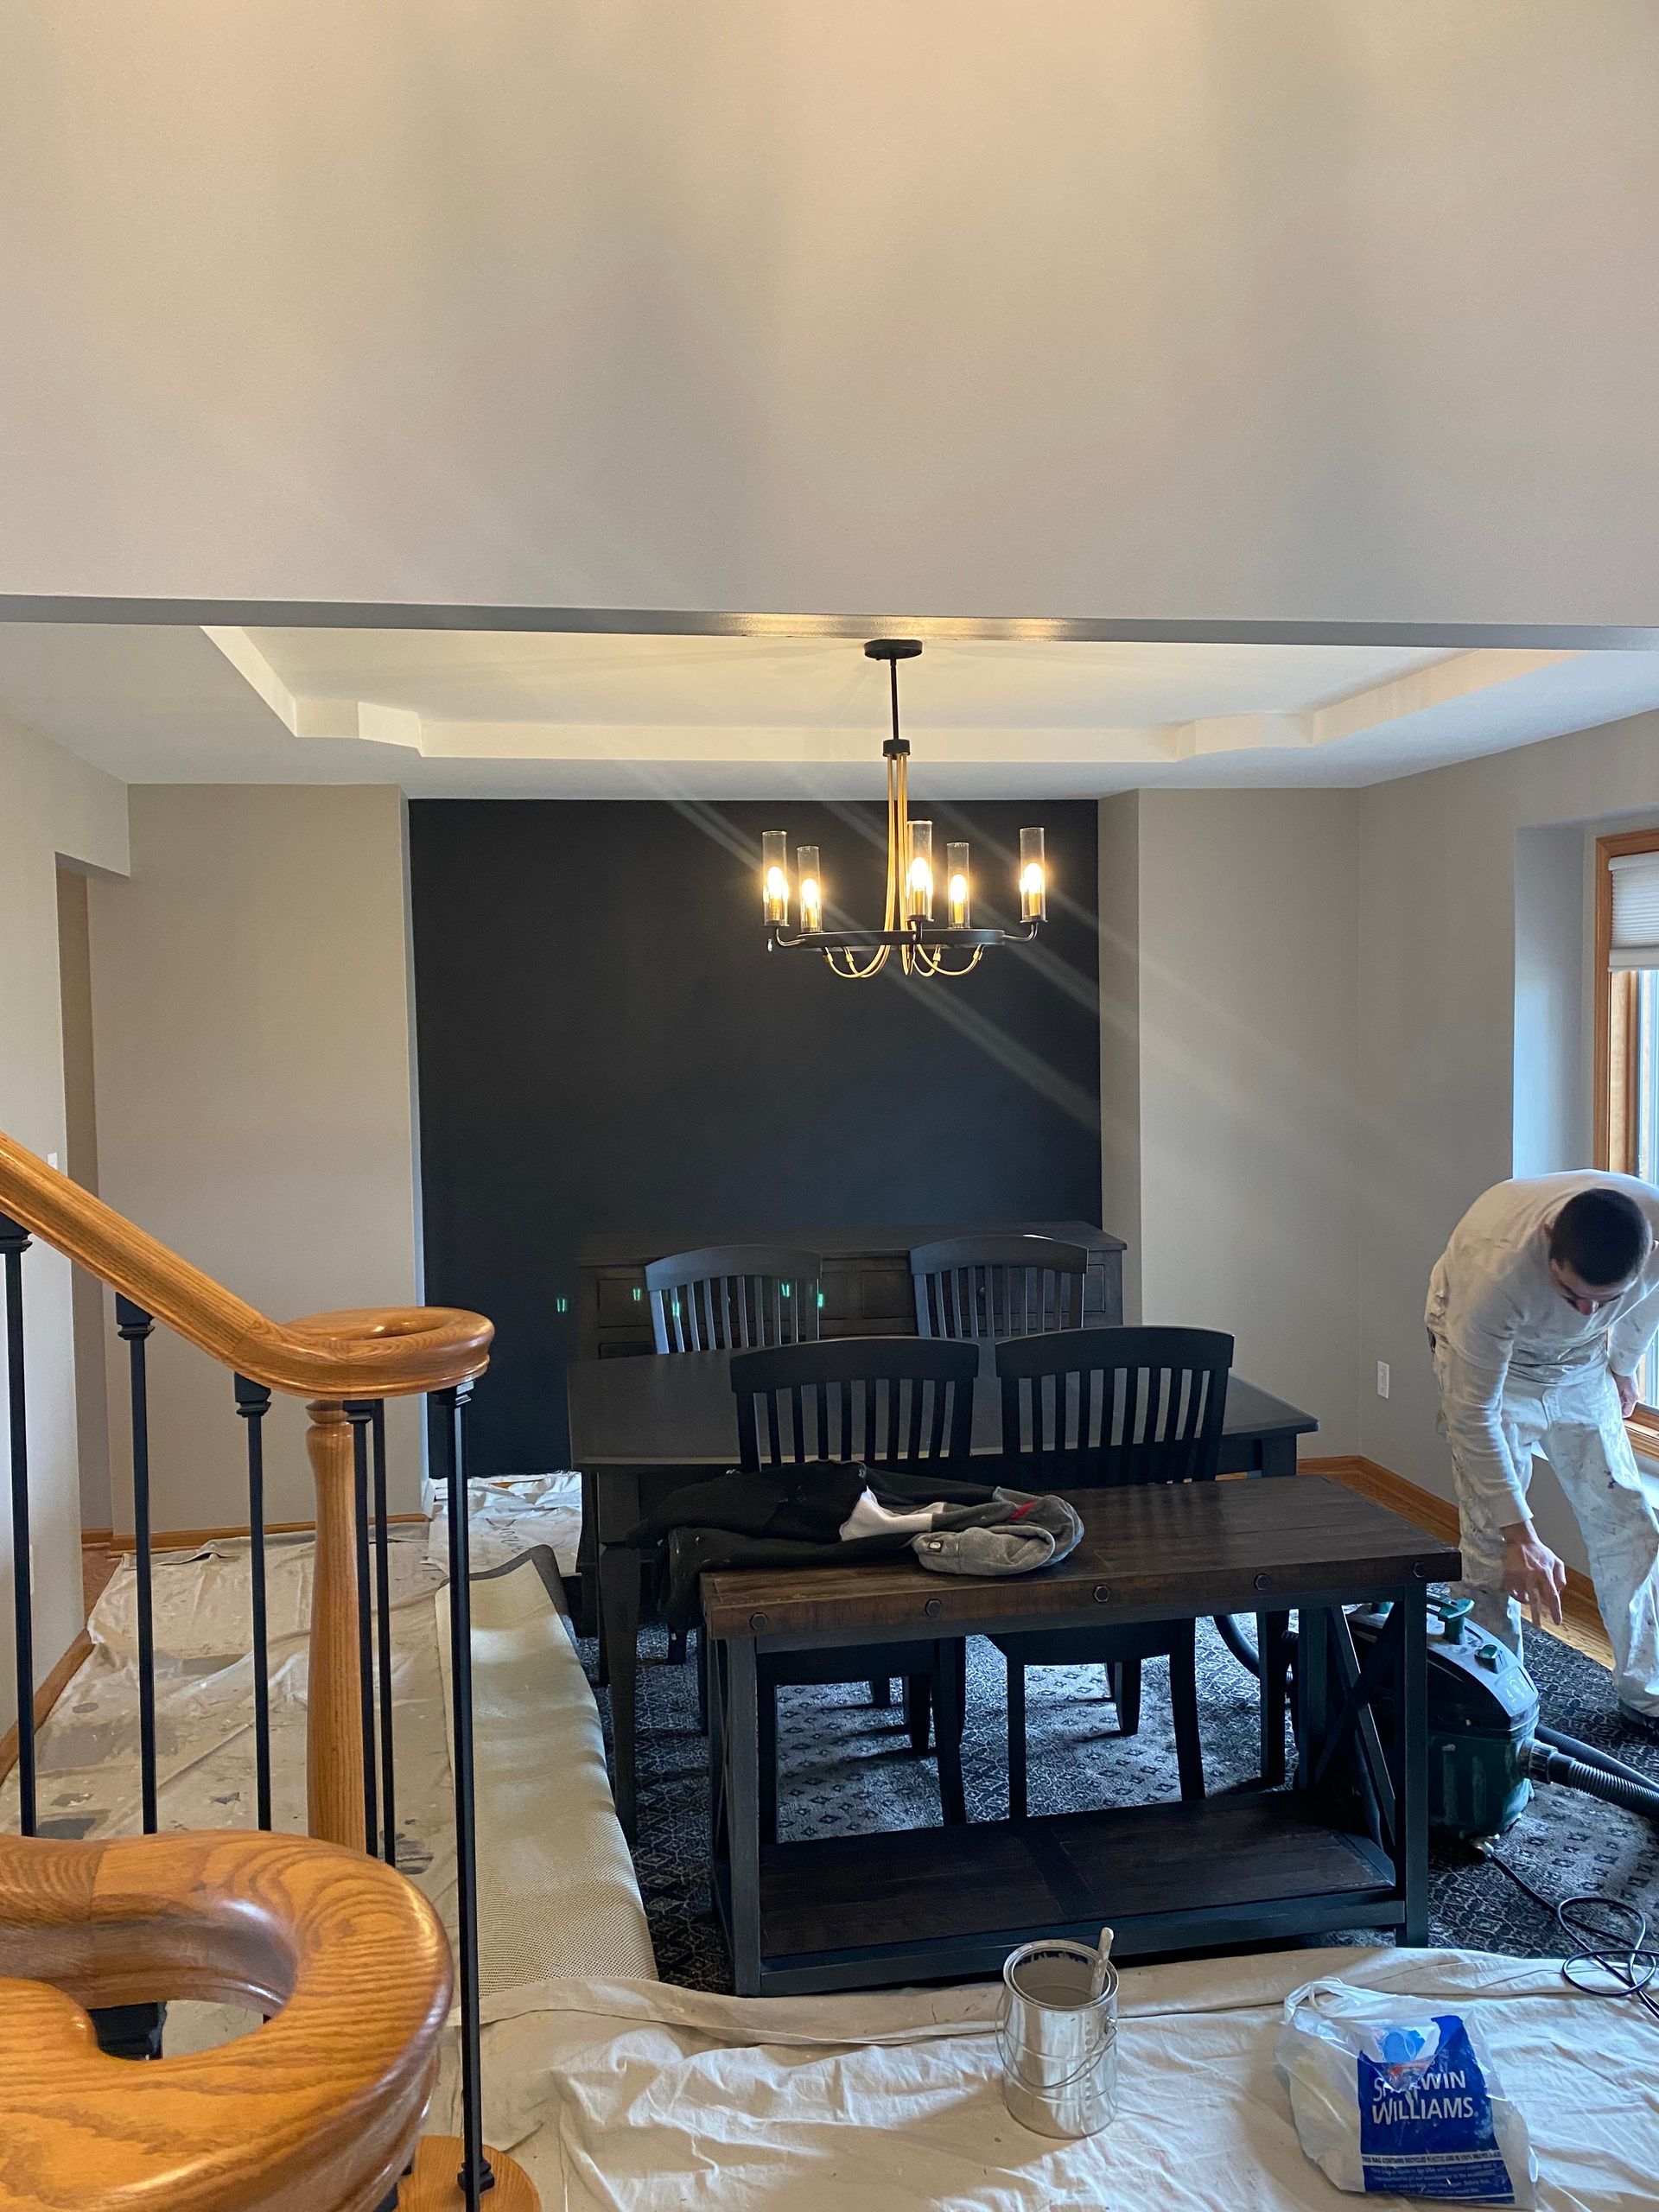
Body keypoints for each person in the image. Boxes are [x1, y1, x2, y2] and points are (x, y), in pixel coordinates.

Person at [1427, 1173, 1659, 1731]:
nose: (1585, 1309)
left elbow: (1650, 1301)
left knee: (1631, 1523)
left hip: (1582, 1368)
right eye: (1570, 1293)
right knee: (1490, 1545)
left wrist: (1622, 1366)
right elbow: (1471, 1414)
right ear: (1550, 1236)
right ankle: (1491, 1700)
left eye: (1603, 1299)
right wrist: (1521, 1536)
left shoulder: (1657, 1235)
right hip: (1496, 1372)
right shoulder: (1493, 1274)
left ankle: (1646, 1694)